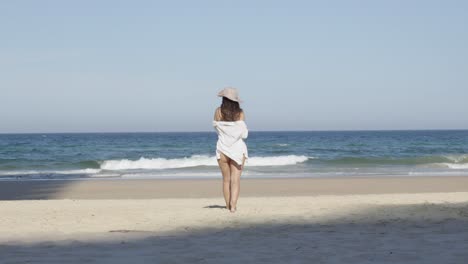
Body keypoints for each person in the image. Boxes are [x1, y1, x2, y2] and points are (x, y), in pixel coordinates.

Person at [213, 87, 248, 213]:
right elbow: (243, 134)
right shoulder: (240, 113)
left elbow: (217, 129)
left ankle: (227, 206)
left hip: (222, 148)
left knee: (226, 180)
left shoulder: (218, 112)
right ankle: (233, 207)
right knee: (235, 180)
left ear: (223, 98)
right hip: (237, 149)